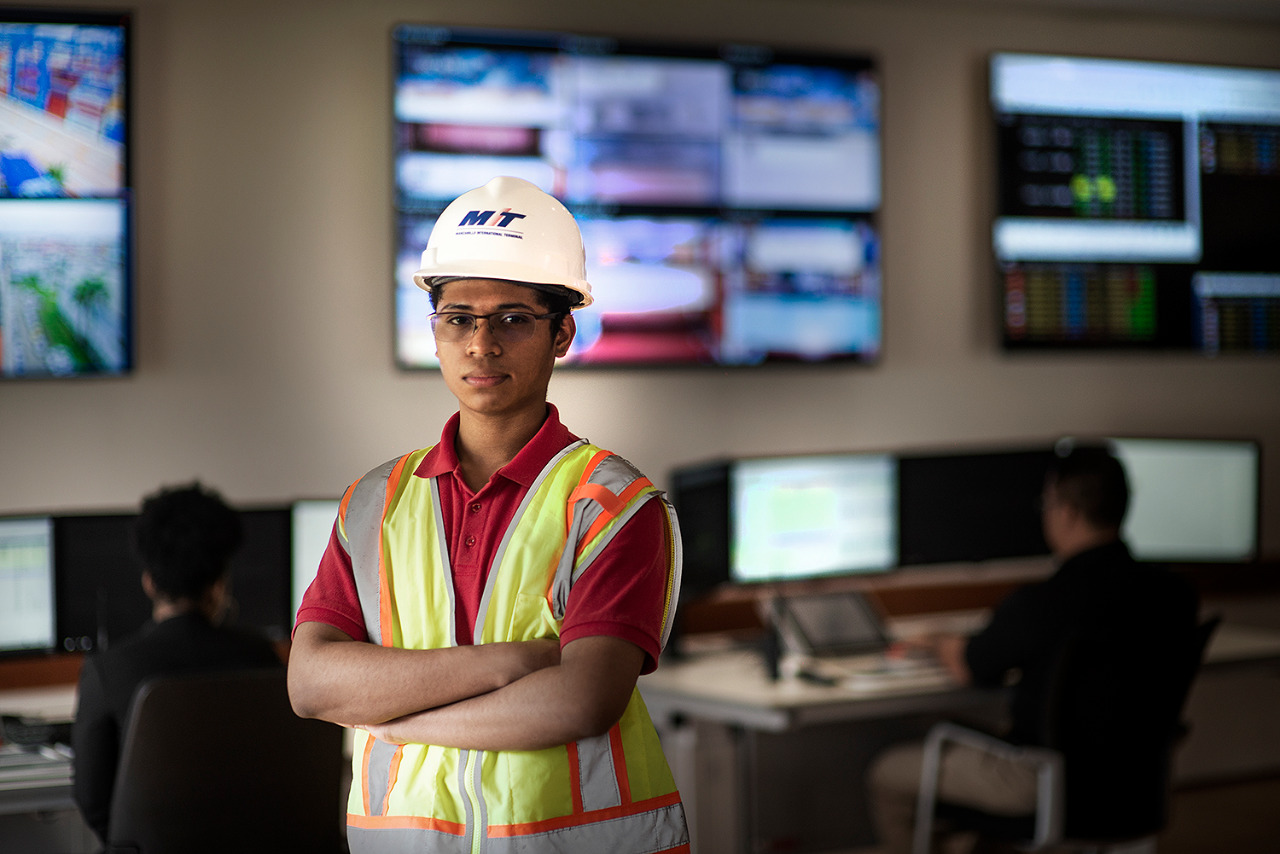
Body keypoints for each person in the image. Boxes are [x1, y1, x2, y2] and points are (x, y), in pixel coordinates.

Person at [287, 176, 689, 854]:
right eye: (458, 318)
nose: (481, 344)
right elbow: (310, 683)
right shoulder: (375, 502)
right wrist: (512, 663)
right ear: (435, 329)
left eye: (512, 318)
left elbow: (580, 701)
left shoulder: (612, 505)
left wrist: (394, 716)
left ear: (562, 333)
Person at [867, 443, 1199, 854]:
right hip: (1137, 788)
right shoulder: (1175, 597)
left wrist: (937, 641)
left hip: (1041, 783)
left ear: (1066, 512)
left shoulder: (1043, 602)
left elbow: (972, 667)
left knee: (888, 772)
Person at [71, 481, 284, 844]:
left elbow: (92, 801)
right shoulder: (262, 658)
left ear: (149, 582)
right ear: (219, 584)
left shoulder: (107, 671)